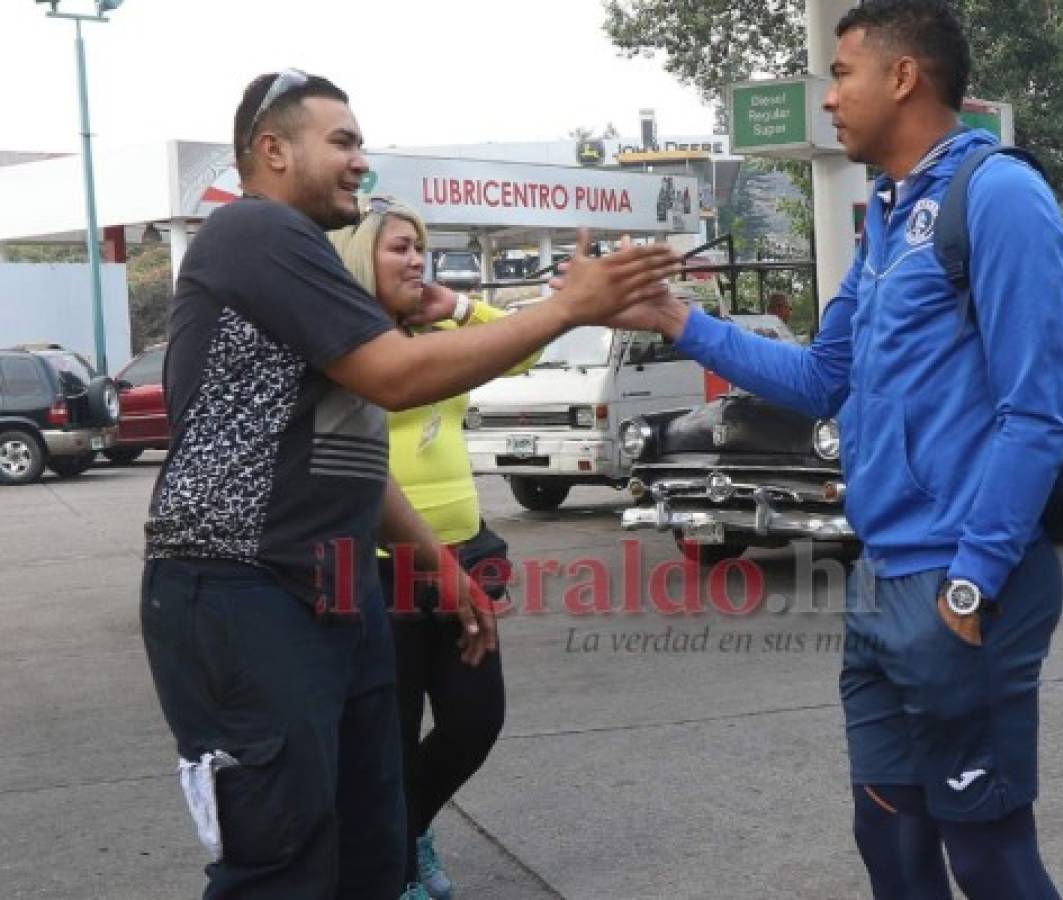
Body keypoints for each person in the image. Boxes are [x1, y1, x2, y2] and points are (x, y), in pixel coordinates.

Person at [139, 70, 678, 900]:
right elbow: (395, 377)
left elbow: (355, 450)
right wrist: (568, 308)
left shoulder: (303, 265)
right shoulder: (252, 231)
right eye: (343, 142)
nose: (361, 162)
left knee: (371, 847)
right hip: (238, 592)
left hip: (327, 595)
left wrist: (438, 563)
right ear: (273, 151)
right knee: (282, 864)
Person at [615, 2, 1063, 897]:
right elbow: (826, 379)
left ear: (903, 77)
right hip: (879, 580)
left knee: (987, 851)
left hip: (959, 584)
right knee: (889, 839)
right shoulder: (890, 214)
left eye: (841, 72)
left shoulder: (1000, 196)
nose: (827, 98)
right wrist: (681, 322)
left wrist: (971, 577)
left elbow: (1036, 411)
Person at [328, 198, 534, 899]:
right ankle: (390, 863)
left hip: (468, 553)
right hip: (380, 567)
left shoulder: (430, 333)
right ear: (359, 258)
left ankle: (401, 834)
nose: (416, 260)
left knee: (475, 721)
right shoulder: (344, 348)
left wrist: (457, 305)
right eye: (398, 249)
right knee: (388, 732)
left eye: (420, 248)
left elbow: (525, 345)